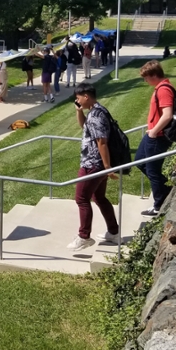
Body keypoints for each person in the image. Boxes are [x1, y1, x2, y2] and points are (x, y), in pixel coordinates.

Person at [70, 82, 120, 251]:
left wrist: (107, 167)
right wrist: (79, 111)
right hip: (95, 163)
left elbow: (102, 142)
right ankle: (113, 232)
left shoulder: (97, 115)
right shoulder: (95, 111)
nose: (77, 100)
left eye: (78, 98)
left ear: (86, 96)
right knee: (99, 198)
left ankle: (84, 236)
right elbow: (84, 126)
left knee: (81, 199)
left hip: (93, 164)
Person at [136, 60, 176, 217]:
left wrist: (154, 131)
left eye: (146, 77)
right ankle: (165, 190)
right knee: (140, 161)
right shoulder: (160, 88)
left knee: (152, 170)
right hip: (153, 133)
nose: (145, 81)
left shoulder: (163, 90)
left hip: (157, 136)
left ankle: (159, 204)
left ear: (153, 75)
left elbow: (167, 115)